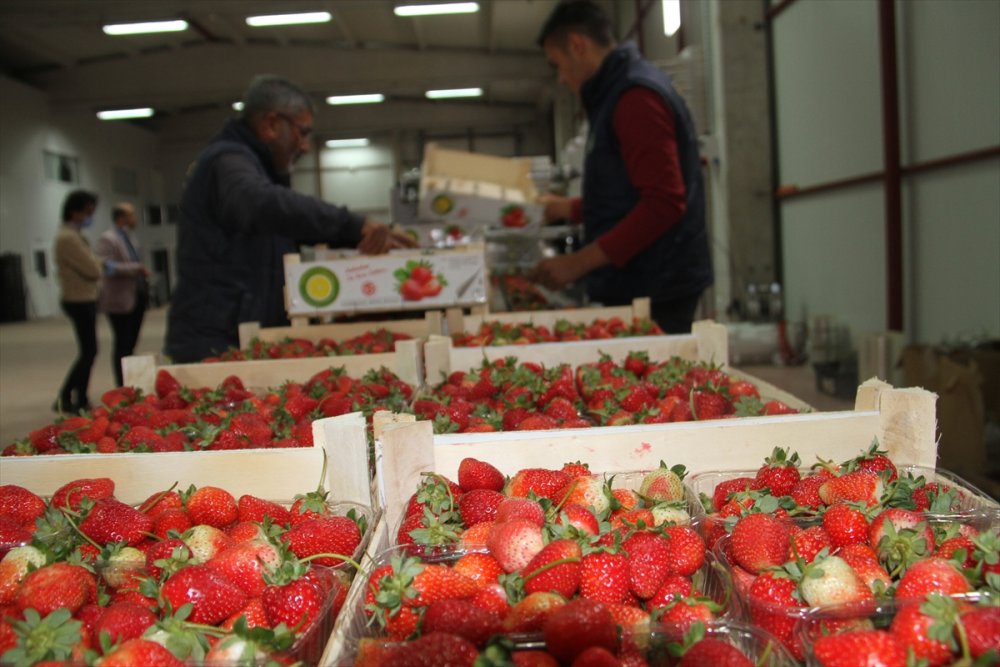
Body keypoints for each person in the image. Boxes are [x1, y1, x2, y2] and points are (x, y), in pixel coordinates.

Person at [165, 75, 416, 362]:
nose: (306, 146)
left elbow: (297, 224)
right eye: (302, 132)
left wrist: (361, 235)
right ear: (271, 124)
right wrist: (354, 224)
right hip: (215, 343)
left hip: (241, 336)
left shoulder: (257, 169)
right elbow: (260, 203)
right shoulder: (227, 162)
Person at [529, 0, 713, 334]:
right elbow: (624, 195)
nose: (560, 78)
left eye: (557, 64)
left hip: (658, 283)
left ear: (577, 46)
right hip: (644, 276)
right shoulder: (614, 95)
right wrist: (565, 209)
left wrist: (577, 263)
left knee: (660, 382)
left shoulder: (635, 98)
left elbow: (663, 204)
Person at [54, 189, 103, 413]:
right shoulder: (68, 238)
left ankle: (76, 395)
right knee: (89, 350)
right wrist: (101, 265)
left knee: (89, 350)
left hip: (84, 298)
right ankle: (71, 395)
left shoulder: (75, 235)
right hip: (79, 299)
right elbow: (92, 269)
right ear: (75, 212)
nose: (90, 216)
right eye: (88, 212)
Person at [96, 202, 150, 386]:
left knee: (131, 342)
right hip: (119, 300)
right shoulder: (108, 238)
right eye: (131, 215)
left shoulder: (129, 237)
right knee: (122, 343)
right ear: (121, 217)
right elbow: (105, 266)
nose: (134, 219)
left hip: (136, 296)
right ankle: (122, 384)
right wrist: (135, 268)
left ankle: (130, 380)